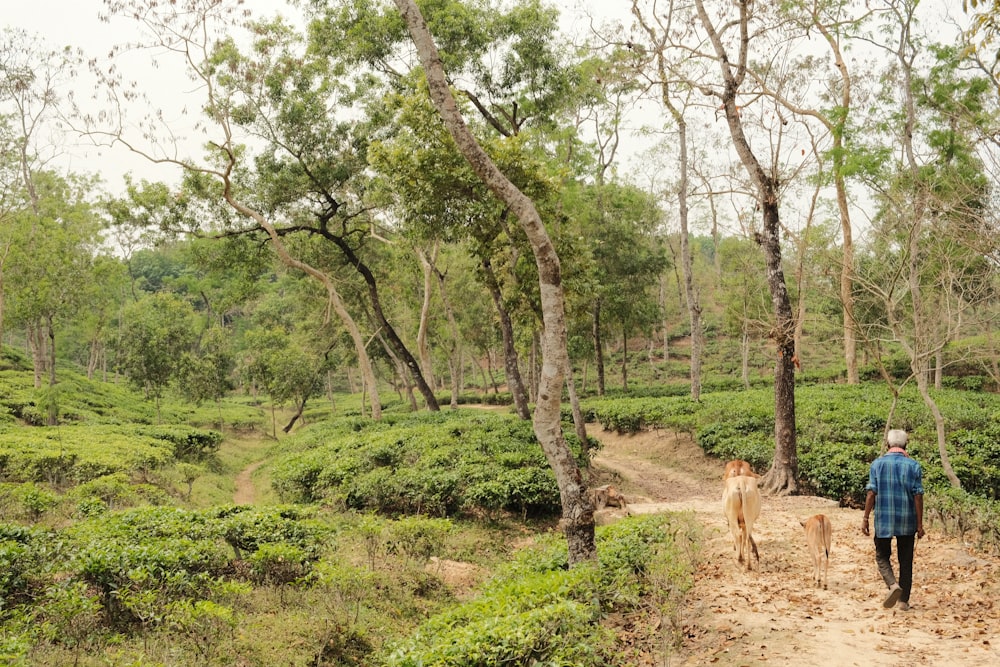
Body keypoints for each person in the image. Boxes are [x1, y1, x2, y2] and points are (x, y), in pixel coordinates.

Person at [861, 428, 925, 610]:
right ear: (906, 444)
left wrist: (865, 518)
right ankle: (903, 601)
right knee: (905, 560)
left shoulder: (877, 464)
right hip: (907, 520)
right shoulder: (914, 466)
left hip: (884, 520)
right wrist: (920, 524)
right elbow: (918, 496)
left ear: (888, 444)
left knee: (882, 556)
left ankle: (892, 585)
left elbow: (872, 493)